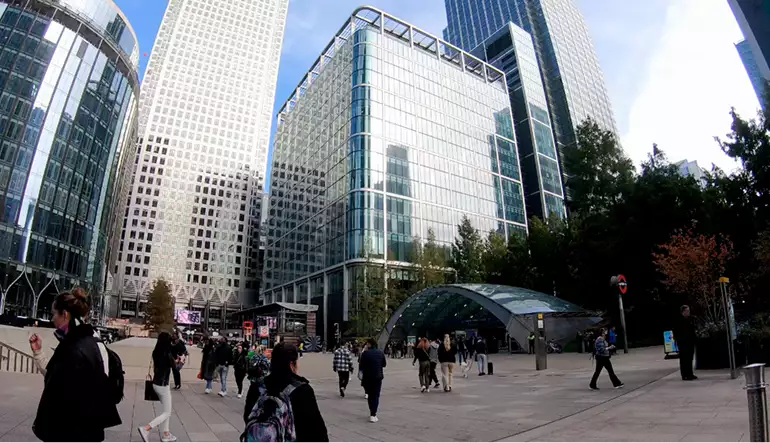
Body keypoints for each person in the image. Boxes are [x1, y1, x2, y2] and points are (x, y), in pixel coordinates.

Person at [29, 288, 121, 443]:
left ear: (65, 314)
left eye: (54, 314)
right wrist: (39, 353)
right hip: (91, 432)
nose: (52, 319)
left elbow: (57, 385)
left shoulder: (72, 348)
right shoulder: (95, 342)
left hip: (70, 433)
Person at [243, 343, 328, 442]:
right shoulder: (302, 390)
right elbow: (316, 431)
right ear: (292, 364)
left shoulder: (257, 386)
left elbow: (248, 416)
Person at [138, 332, 177, 442]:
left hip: (156, 383)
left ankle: (166, 434)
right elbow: (175, 367)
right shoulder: (167, 352)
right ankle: (146, 429)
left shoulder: (156, 351)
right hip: (163, 385)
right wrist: (181, 361)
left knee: (166, 410)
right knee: (167, 412)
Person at [359, 338, 387, 423]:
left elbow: (361, 366)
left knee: (370, 395)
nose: (366, 345)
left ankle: (372, 412)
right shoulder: (380, 353)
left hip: (368, 378)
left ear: (370, 344)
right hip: (378, 377)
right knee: (376, 395)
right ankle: (373, 414)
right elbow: (384, 364)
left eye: (367, 344)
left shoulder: (365, 354)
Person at [243, 346, 271, 423]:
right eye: (266, 351)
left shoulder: (253, 358)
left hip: (253, 382)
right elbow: (268, 370)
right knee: (261, 400)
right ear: (263, 351)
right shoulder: (265, 360)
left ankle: (250, 414)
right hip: (261, 383)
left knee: (250, 400)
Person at [674, 305, 698, 381]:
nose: (688, 312)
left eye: (689, 311)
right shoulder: (679, 321)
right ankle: (685, 375)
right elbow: (676, 332)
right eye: (686, 311)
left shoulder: (690, 319)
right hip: (683, 343)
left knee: (690, 358)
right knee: (684, 359)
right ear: (683, 312)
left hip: (690, 341)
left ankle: (690, 373)